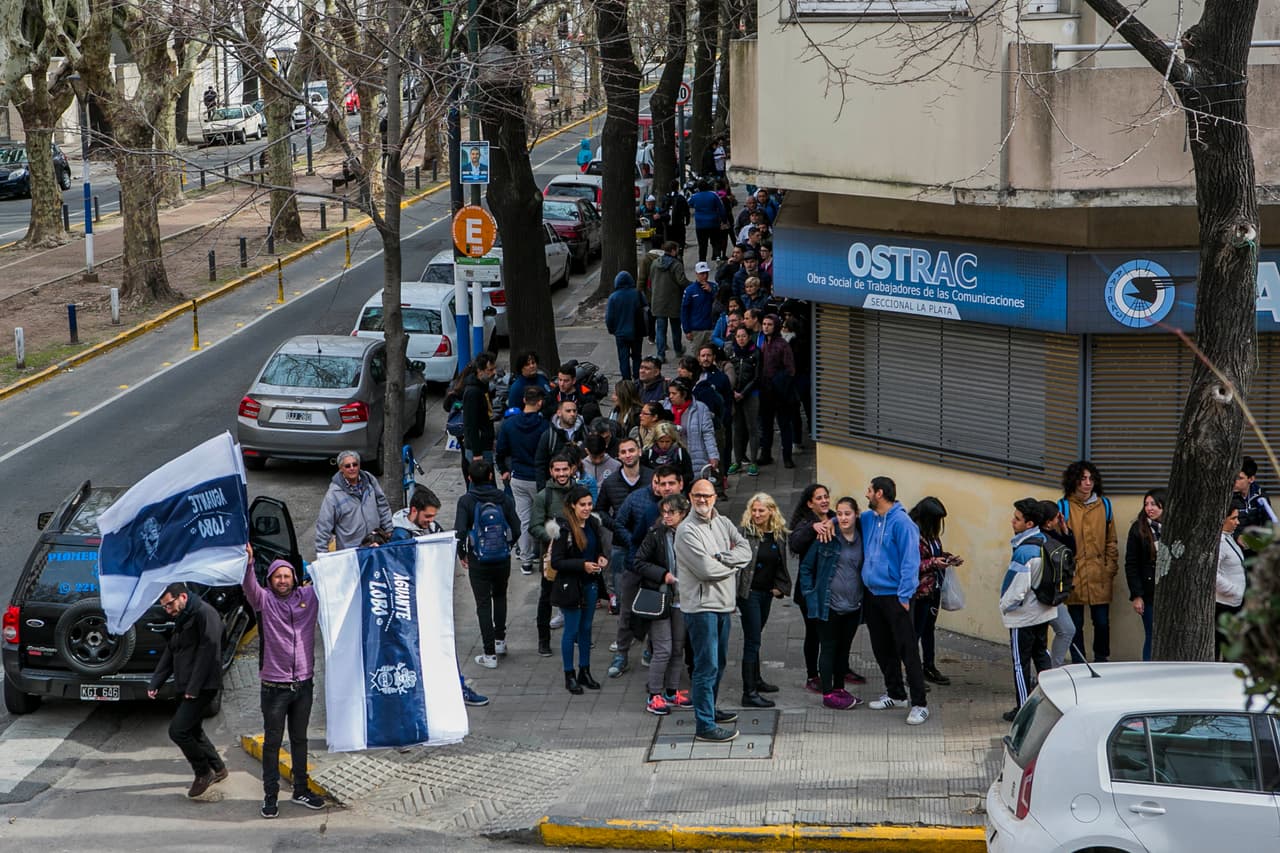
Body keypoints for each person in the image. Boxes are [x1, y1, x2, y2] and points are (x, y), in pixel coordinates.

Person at [240, 548, 324, 817]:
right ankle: (270, 796)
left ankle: (301, 790)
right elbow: (248, 585)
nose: (283, 580)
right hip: (274, 688)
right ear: (270, 580)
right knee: (273, 742)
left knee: (300, 739)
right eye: (277, 576)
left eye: (287, 576)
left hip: (303, 684)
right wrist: (249, 562)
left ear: (295, 578)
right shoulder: (264, 601)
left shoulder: (309, 598)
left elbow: (333, 579)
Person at [675, 479, 751, 742]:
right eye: (697, 496)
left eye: (707, 495)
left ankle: (709, 709)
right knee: (705, 666)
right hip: (701, 608)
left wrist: (721, 558)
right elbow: (705, 570)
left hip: (724, 605)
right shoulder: (686, 531)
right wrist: (731, 566)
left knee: (718, 664)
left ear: (715, 497)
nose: (702, 500)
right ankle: (704, 725)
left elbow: (746, 550)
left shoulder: (723, 522)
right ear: (690, 497)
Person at [147, 583, 227, 799]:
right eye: (164, 607)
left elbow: (208, 652)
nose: (168, 610)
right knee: (192, 729)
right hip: (187, 685)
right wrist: (156, 682)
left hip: (203, 686)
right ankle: (218, 768)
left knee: (178, 731)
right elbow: (173, 650)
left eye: (169, 605)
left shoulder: (205, 614)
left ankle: (203, 772)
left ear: (182, 596)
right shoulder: (183, 615)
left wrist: (194, 688)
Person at [861, 476, 929, 725]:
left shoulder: (903, 523)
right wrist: (826, 524)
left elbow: (910, 561)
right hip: (873, 595)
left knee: (907, 650)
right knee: (881, 648)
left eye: (869, 490)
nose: (866, 494)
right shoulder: (869, 519)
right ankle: (896, 694)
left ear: (880, 493)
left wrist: (904, 596)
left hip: (895, 597)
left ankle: (920, 704)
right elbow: (847, 519)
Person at [609, 465, 685, 677]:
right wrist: (637, 566)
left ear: (681, 484)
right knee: (627, 613)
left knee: (666, 616)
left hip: (674, 576)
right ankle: (622, 654)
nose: (667, 488)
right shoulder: (652, 510)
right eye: (662, 484)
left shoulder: (688, 510)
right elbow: (634, 540)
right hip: (642, 569)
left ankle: (655, 653)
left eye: (671, 483)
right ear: (657, 486)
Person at [798, 496, 865, 710]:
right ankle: (828, 693)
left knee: (843, 651)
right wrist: (810, 595)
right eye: (840, 513)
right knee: (828, 648)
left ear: (856, 515)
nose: (843, 517)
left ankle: (839, 688)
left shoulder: (863, 536)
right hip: (829, 605)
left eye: (848, 513)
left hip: (853, 606)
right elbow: (806, 568)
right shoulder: (827, 537)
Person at [454, 460, 520, 669]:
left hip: (478, 559)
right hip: (502, 559)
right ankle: (500, 641)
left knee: (483, 604)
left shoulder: (466, 501)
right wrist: (507, 547)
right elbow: (516, 528)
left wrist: (462, 554)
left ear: (470, 479)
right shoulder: (504, 499)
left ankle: (489, 653)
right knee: (500, 596)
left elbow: (460, 531)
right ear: (491, 476)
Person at [633, 493, 694, 714]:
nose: (666, 516)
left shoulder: (690, 532)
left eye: (672, 512)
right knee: (663, 649)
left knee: (678, 647)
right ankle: (654, 695)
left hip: (682, 598)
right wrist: (663, 574)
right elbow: (638, 561)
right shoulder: (656, 533)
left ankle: (671, 691)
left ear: (683, 513)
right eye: (664, 512)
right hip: (660, 598)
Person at [549, 486, 608, 693]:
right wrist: (582, 565)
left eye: (589, 504)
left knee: (586, 629)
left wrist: (600, 557)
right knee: (571, 630)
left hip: (590, 584)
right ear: (573, 505)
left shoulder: (592, 523)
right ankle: (569, 674)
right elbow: (557, 562)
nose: (586, 508)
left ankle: (585, 670)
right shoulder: (563, 529)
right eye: (582, 504)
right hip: (571, 587)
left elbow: (597, 548)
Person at [1001, 499, 1056, 721]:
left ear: (1029, 523)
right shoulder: (1046, 541)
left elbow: (1015, 591)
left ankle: (1024, 712)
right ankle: (1051, 702)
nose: (1012, 521)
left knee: (1019, 664)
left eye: (1017, 518)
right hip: (1044, 612)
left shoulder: (1024, 552)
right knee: (1041, 657)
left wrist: (1004, 607)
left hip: (1023, 617)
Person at [1059, 460, 1118, 663]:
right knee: (1075, 624)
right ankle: (1079, 661)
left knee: (1102, 622)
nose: (1087, 483)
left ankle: (1102, 659)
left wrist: (1109, 568)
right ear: (1074, 480)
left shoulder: (1105, 505)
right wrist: (1068, 572)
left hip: (1099, 573)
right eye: (1083, 478)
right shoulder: (1064, 507)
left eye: (1091, 478)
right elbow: (1058, 544)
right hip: (1075, 575)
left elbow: (1111, 540)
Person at [737, 493, 791, 709]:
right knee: (752, 641)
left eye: (761, 510)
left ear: (771, 511)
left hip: (766, 593)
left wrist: (780, 587)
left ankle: (756, 680)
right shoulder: (743, 533)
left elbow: (781, 564)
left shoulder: (778, 534)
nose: (757, 514)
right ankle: (748, 692)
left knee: (756, 636)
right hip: (748, 594)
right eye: (754, 510)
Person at [788, 483, 838, 692]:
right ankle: (812, 674)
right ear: (809, 503)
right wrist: (811, 528)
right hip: (810, 590)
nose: (824, 500)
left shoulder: (835, 516)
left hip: (833, 586)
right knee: (814, 633)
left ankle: (838, 668)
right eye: (819, 498)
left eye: (826, 496)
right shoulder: (804, 523)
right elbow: (795, 544)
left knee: (835, 631)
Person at [497, 386, 550, 575]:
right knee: (544, 519)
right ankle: (543, 556)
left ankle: (526, 560)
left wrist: (504, 470)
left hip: (518, 478)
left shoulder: (509, 425)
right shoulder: (545, 426)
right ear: (540, 402)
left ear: (524, 401)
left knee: (524, 520)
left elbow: (501, 451)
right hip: (540, 479)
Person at [530, 454, 579, 654]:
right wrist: (554, 538)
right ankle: (544, 640)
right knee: (546, 597)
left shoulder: (578, 491)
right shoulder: (544, 496)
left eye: (564, 469)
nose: (561, 474)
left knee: (577, 595)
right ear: (551, 471)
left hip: (575, 555)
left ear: (571, 470)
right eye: (557, 470)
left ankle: (577, 635)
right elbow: (534, 526)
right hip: (550, 558)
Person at [909, 497, 960, 686]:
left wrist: (947, 558)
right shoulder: (913, 535)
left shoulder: (930, 535)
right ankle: (912, 673)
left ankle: (928, 667)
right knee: (915, 633)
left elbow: (934, 555)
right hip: (919, 592)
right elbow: (911, 564)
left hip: (933, 589)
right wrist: (933, 563)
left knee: (928, 630)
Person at [314, 449, 392, 552]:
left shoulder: (370, 481)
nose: (352, 468)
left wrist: (388, 529)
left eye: (355, 464)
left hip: (375, 545)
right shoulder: (333, 495)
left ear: (359, 465)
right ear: (341, 468)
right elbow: (324, 526)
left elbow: (382, 505)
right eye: (347, 466)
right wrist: (322, 555)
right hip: (352, 552)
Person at [1036, 501, 1078, 669]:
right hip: (1043, 594)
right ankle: (1047, 671)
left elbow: (1071, 550)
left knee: (1067, 629)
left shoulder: (1053, 534)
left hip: (1053, 594)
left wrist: (1065, 529)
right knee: (1042, 637)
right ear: (1047, 521)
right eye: (1056, 517)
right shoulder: (1038, 538)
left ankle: (1053, 669)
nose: (1059, 519)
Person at [1124, 489, 1164, 662]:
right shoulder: (1138, 529)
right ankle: (1148, 669)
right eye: (1146, 504)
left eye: (1154, 504)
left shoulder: (1174, 527)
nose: (1149, 508)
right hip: (1149, 591)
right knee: (1152, 633)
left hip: (1169, 590)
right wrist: (1137, 595)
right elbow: (1131, 564)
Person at [757, 314, 796, 468]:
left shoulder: (782, 345)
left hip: (780, 393)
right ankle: (766, 454)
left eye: (769, 324)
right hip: (765, 391)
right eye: (764, 324)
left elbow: (791, 370)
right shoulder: (762, 342)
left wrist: (777, 383)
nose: (766, 327)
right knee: (766, 425)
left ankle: (787, 456)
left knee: (784, 425)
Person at [664, 378, 718, 478]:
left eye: (674, 393)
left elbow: (708, 434)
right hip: (671, 457)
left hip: (694, 457)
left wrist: (713, 456)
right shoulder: (665, 407)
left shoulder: (700, 409)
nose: (670, 396)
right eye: (669, 393)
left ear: (684, 394)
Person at [727, 326, 761, 476]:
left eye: (743, 336)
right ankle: (737, 461)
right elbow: (728, 373)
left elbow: (756, 377)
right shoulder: (731, 353)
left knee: (752, 427)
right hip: (734, 395)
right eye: (738, 336)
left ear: (749, 337)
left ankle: (753, 462)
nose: (741, 339)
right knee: (737, 429)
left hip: (751, 394)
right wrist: (733, 392)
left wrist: (743, 392)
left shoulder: (756, 352)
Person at [534, 397, 586, 487]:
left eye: (575, 411)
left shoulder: (584, 432)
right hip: (555, 485)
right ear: (559, 413)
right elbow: (540, 464)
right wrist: (542, 489)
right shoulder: (549, 435)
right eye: (568, 411)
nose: (572, 414)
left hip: (580, 485)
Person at [1216, 507, 1246, 660]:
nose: (1237, 522)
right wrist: (1234, 590)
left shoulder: (1229, 538)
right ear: (1222, 519)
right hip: (1224, 605)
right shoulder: (1219, 542)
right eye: (1233, 518)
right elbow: (1214, 576)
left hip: (1234, 603)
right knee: (1226, 649)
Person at [649, 241, 686, 362]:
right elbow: (682, 282)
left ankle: (661, 354)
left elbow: (650, 281)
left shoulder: (655, 263)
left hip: (658, 301)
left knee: (660, 329)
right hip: (674, 301)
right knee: (676, 327)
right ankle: (678, 350)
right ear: (673, 251)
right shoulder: (677, 264)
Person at [605, 271, 646, 381]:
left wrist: (612, 330)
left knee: (623, 358)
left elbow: (609, 318)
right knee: (637, 356)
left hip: (621, 333)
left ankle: (626, 380)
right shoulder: (637, 293)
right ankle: (638, 378)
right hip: (637, 331)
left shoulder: (613, 297)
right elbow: (646, 308)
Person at [462, 352, 498, 472]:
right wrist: (477, 453)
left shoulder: (483, 386)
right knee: (480, 483)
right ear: (480, 370)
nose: (494, 373)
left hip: (485, 444)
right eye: (490, 370)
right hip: (478, 448)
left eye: (494, 369)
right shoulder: (473, 392)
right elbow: (471, 425)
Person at [642, 420, 695, 489]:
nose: (664, 445)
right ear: (656, 440)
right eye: (661, 441)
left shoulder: (680, 452)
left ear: (672, 440)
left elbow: (689, 474)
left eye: (667, 441)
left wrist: (675, 481)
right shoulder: (648, 453)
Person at [680, 262, 718, 354]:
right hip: (697, 330)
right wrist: (686, 330)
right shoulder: (690, 290)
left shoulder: (713, 286)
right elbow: (684, 311)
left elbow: (720, 303)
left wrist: (712, 291)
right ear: (696, 274)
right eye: (702, 274)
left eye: (706, 273)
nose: (704, 276)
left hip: (712, 328)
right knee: (697, 356)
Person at [689, 180, 728, 263]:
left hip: (700, 224)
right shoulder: (714, 195)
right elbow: (721, 208)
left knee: (702, 244)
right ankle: (717, 256)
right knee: (716, 241)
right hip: (713, 222)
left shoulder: (695, 196)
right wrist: (724, 220)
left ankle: (702, 260)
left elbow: (690, 203)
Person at [664, 179, 689, 249]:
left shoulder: (666, 197)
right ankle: (680, 253)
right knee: (680, 241)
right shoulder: (681, 198)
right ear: (678, 187)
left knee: (670, 241)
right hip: (679, 223)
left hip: (669, 224)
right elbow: (686, 210)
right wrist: (687, 220)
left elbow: (663, 209)